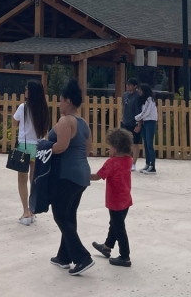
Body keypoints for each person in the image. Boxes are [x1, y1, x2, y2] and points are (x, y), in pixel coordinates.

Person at [43, 79, 93, 276]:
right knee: (69, 214)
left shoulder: (65, 121)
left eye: (61, 100)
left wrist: (43, 148)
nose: (59, 104)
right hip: (82, 174)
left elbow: (61, 146)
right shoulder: (83, 123)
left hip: (67, 175)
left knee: (60, 215)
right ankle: (64, 256)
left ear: (68, 101)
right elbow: (88, 149)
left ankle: (82, 257)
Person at [91, 128, 135, 267]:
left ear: (115, 147)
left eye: (110, 146)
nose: (108, 149)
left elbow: (98, 176)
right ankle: (107, 247)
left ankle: (125, 257)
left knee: (119, 229)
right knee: (115, 224)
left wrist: (82, 176)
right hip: (126, 200)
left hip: (115, 202)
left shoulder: (111, 162)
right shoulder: (128, 160)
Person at [13, 79, 50, 225]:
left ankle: (25, 211)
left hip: (24, 145)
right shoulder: (44, 109)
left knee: (22, 180)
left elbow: (15, 123)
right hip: (38, 146)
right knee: (34, 180)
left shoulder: (23, 107)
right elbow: (45, 130)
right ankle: (33, 208)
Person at [134, 84, 158, 174]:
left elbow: (145, 112)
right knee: (146, 145)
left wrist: (137, 118)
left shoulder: (150, 100)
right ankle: (147, 164)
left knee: (150, 145)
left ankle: (152, 166)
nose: (139, 92)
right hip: (145, 123)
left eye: (140, 90)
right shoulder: (144, 100)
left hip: (150, 122)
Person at [119, 77, 142, 169]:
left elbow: (139, 112)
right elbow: (123, 106)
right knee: (124, 143)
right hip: (125, 122)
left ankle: (134, 163)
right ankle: (124, 162)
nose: (128, 86)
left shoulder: (137, 97)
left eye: (130, 85)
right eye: (127, 84)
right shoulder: (124, 95)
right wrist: (122, 117)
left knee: (135, 143)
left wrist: (139, 124)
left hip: (134, 122)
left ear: (135, 86)